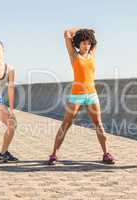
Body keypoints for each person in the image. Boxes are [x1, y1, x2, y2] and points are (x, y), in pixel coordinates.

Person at [47, 28, 115, 165]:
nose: (86, 45)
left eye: (88, 43)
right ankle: (54, 154)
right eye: (83, 42)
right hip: (77, 95)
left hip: (91, 95)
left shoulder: (92, 54)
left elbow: (95, 41)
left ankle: (106, 154)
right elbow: (66, 33)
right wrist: (81, 30)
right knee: (66, 124)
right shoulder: (74, 55)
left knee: (99, 125)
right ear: (78, 43)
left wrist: (89, 32)